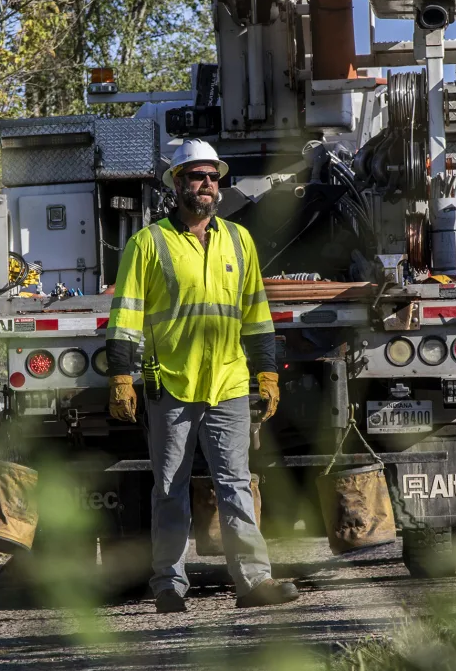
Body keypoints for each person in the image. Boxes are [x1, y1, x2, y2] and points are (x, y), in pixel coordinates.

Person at [105, 139, 297, 613]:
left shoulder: (239, 240)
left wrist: (266, 373)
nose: (208, 185)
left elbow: (256, 314)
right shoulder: (147, 244)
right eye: (197, 176)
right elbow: (125, 315)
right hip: (171, 383)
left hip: (228, 383)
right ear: (177, 183)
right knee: (169, 489)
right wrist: (121, 377)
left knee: (235, 485)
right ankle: (168, 584)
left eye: (214, 177)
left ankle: (253, 583)